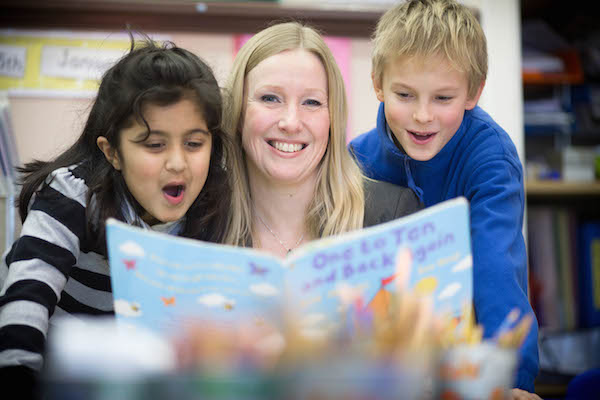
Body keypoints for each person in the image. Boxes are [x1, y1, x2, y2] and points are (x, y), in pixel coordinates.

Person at [0, 35, 231, 391]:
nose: (177, 163)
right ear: (113, 153)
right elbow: (27, 300)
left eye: (194, 143)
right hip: (50, 373)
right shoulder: (71, 194)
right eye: (154, 145)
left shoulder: (214, 206)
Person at [348, 0, 540, 397]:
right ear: (378, 84)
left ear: (473, 93)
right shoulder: (355, 160)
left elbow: (496, 268)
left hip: (466, 354)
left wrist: (512, 377)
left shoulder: (491, 159)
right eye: (405, 94)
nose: (422, 115)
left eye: (442, 98)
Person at [221, 21, 421, 258]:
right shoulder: (202, 222)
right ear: (238, 110)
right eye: (270, 98)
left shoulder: (391, 218)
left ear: (332, 120)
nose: (291, 122)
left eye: (312, 102)